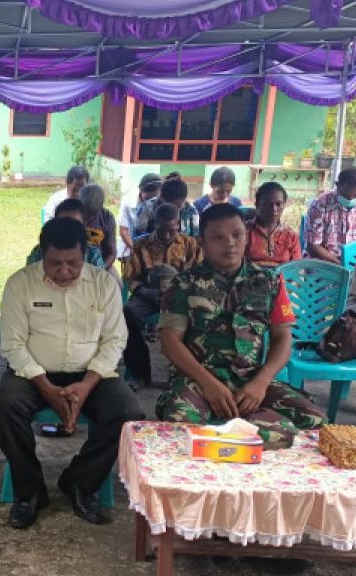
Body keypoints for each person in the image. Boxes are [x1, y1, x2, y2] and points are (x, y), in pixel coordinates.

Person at [0, 218, 143, 529]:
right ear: (41, 253)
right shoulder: (20, 284)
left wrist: (87, 385)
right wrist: (47, 388)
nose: (64, 271)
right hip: (32, 373)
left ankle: (80, 483)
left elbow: (115, 340)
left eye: (72, 263)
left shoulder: (103, 284)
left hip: (92, 374)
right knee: (4, 406)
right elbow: (13, 345)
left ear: (84, 254)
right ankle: (29, 492)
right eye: (54, 263)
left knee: (129, 412)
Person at [157, 204, 326, 448]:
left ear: (246, 236)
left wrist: (262, 381)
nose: (230, 243)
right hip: (198, 380)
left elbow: (283, 338)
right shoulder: (184, 283)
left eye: (237, 235)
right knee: (179, 428)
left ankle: (239, 437)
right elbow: (170, 341)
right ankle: (248, 435)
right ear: (202, 242)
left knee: (315, 422)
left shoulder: (269, 281)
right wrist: (208, 383)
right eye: (217, 237)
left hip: (251, 381)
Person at [123, 203, 203, 389]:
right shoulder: (141, 245)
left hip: (182, 297)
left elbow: (199, 276)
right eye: (162, 230)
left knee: (198, 316)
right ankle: (139, 373)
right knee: (128, 313)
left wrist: (179, 293)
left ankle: (182, 375)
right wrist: (148, 292)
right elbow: (131, 277)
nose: (167, 235)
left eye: (171, 230)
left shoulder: (191, 245)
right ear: (155, 224)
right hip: (148, 296)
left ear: (178, 226)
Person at [305, 167, 356, 262]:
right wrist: (338, 263)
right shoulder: (320, 205)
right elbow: (313, 246)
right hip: (325, 260)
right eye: (345, 195)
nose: (350, 199)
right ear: (337, 185)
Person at [26, 198, 104, 268]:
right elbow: (28, 279)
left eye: (74, 225)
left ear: (84, 226)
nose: (68, 229)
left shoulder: (93, 255)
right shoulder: (39, 253)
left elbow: (100, 281)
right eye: (63, 224)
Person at [245, 181, 301, 269]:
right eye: (267, 204)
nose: (274, 209)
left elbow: (297, 269)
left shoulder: (291, 236)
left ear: (284, 205)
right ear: (257, 205)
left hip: (284, 280)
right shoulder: (244, 231)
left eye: (278, 204)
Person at [78, 183, 118, 273]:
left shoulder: (107, 217)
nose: (87, 217)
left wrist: (100, 269)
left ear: (101, 206)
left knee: (117, 284)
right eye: (85, 212)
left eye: (92, 213)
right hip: (73, 263)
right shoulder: (70, 213)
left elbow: (111, 253)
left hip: (101, 265)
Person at [118, 172, 162, 253]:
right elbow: (123, 230)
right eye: (148, 199)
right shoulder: (128, 201)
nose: (150, 203)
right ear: (140, 191)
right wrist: (135, 249)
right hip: (131, 247)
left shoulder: (162, 201)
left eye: (154, 199)